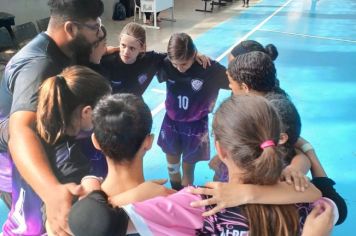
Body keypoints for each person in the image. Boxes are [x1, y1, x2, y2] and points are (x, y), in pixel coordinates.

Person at [68, 94, 326, 236]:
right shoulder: (314, 207)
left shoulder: (197, 204)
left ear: (220, 149)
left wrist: (94, 184)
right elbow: (323, 193)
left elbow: (86, 223)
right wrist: (305, 155)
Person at [0, 0, 104, 235]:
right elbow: (21, 133)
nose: (98, 34)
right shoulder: (39, 66)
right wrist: (52, 192)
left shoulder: (63, 48)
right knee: (32, 224)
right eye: (95, 27)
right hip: (21, 161)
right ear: (71, 28)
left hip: (46, 145)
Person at [4, 66, 111, 235]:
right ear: (87, 112)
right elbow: (60, 228)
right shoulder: (72, 165)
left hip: (13, 228)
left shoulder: (21, 131)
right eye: (104, 110)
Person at [156, 32, 230, 190]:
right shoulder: (166, 63)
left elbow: (236, 82)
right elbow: (147, 57)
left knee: (188, 171)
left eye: (183, 64)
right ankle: (175, 191)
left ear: (193, 55)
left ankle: (184, 197)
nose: (179, 68)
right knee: (172, 167)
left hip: (196, 126)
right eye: (175, 64)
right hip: (171, 122)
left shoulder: (209, 68)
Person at [98, 22, 210, 97]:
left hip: (133, 110)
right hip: (111, 114)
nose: (126, 52)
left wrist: (194, 53)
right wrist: (101, 51)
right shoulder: (107, 61)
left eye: (132, 48)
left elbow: (177, 53)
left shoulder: (151, 60)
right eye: (123, 45)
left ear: (142, 48)